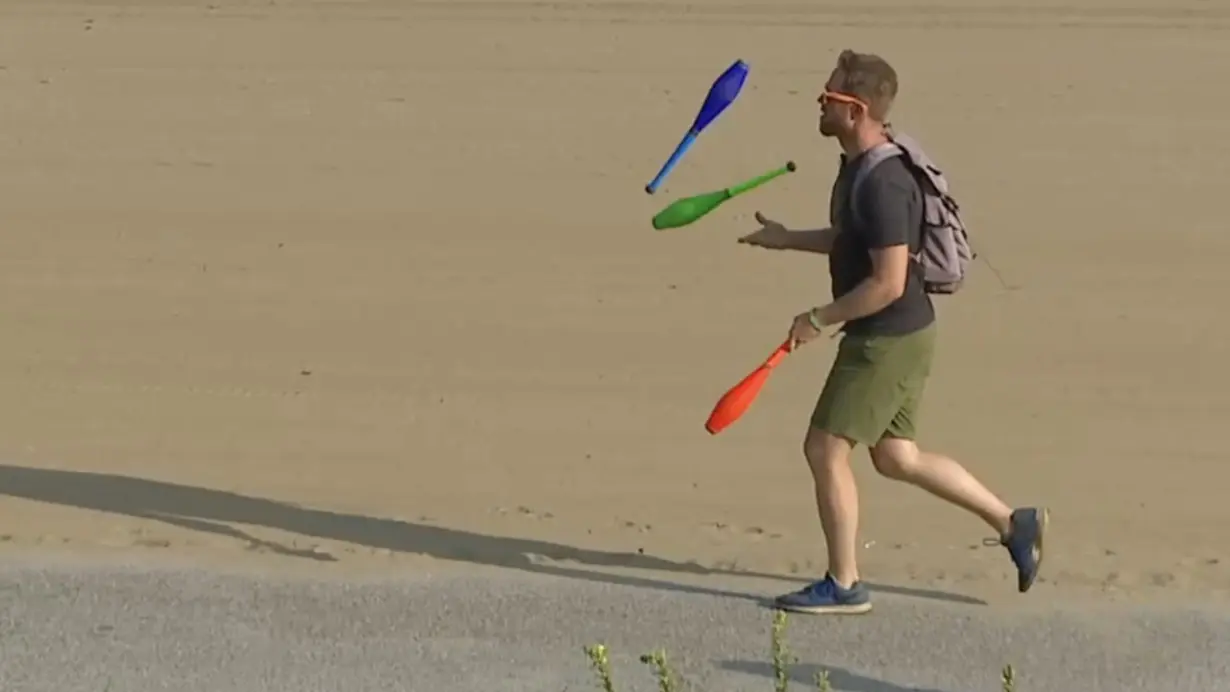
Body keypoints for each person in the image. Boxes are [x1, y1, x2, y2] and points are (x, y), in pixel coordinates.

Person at [737, 49, 1047, 615]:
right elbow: (853, 240)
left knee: (824, 448)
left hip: (887, 336)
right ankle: (1013, 522)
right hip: (901, 332)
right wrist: (787, 238)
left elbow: (887, 280)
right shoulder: (859, 169)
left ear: (854, 110)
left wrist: (818, 319)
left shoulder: (885, 184)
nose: (819, 102)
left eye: (828, 97)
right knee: (896, 456)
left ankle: (844, 584)